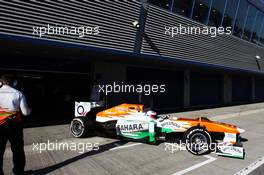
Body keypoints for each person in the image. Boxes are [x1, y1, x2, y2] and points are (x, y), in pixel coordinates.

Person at [0, 75, 31, 175]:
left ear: (1, 82)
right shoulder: (18, 94)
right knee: (17, 150)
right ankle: (18, 172)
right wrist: (30, 110)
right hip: (15, 126)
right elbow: (25, 112)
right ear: (14, 83)